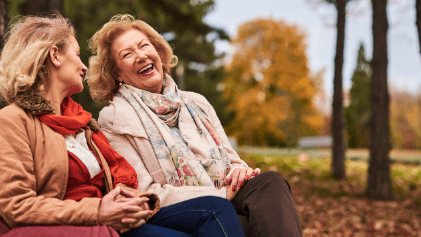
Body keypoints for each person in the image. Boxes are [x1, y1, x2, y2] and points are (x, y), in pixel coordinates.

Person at [0, 14, 245, 237]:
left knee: (213, 213)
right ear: (55, 55)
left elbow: (120, 184)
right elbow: (15, 206)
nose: (85, 66)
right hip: (70, 227)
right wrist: (99, 211)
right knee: (213, 211)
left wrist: (138, 203)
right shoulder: (11, 122)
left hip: (104, 221)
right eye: (77, 54)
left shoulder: (82, 125)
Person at [87, 14, 303, 237]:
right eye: (127, 54)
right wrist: (218, 195)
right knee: (235, 218)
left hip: (224, 194)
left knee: (270, 182)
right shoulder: (114, 118)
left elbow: (232, 160)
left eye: (144, 46)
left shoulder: (196, 102)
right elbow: (144, 192)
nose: (141, 55)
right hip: (181, 209)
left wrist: (240, 171)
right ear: (117, 74)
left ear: (159, 53)